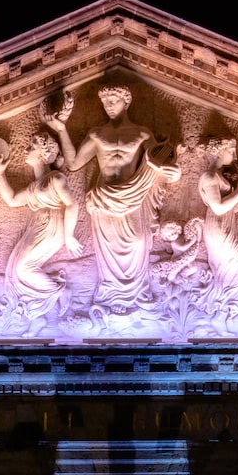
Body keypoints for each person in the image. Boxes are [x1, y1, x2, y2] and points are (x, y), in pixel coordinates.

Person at [46, 83, 181, 314]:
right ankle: (110, 292)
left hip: (134, 194)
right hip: (104, 198)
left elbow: (159, 161)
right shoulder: (97, 134)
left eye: (113, 101)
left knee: (139, 241)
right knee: (107, 249)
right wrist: (61, 130)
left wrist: (174, 171)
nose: (108, 105)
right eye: (105, 102)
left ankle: (138, 292)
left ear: (126, 102)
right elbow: (74, 163)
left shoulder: (142, 133)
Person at [0, 133, 81, 326]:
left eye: (31, 147)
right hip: (39, 226)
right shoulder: (34, 187)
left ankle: (59, 290)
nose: (26, 150)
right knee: (18, 267)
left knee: (23, 267)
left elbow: (72, 205)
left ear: (44, 153)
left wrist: (69, 236)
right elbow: (12, 200)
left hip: (52, 226)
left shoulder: (56, 179)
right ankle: (45, 294)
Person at [192, 135, 238, 331]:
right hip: (217, 226)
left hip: (227, 223)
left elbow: (234, 207)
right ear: (218, 151)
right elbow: (218, 207)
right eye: (231, 150)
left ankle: (226, 312)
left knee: (232, 267)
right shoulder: (209, 177)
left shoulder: (221, 177)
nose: (234, 155)